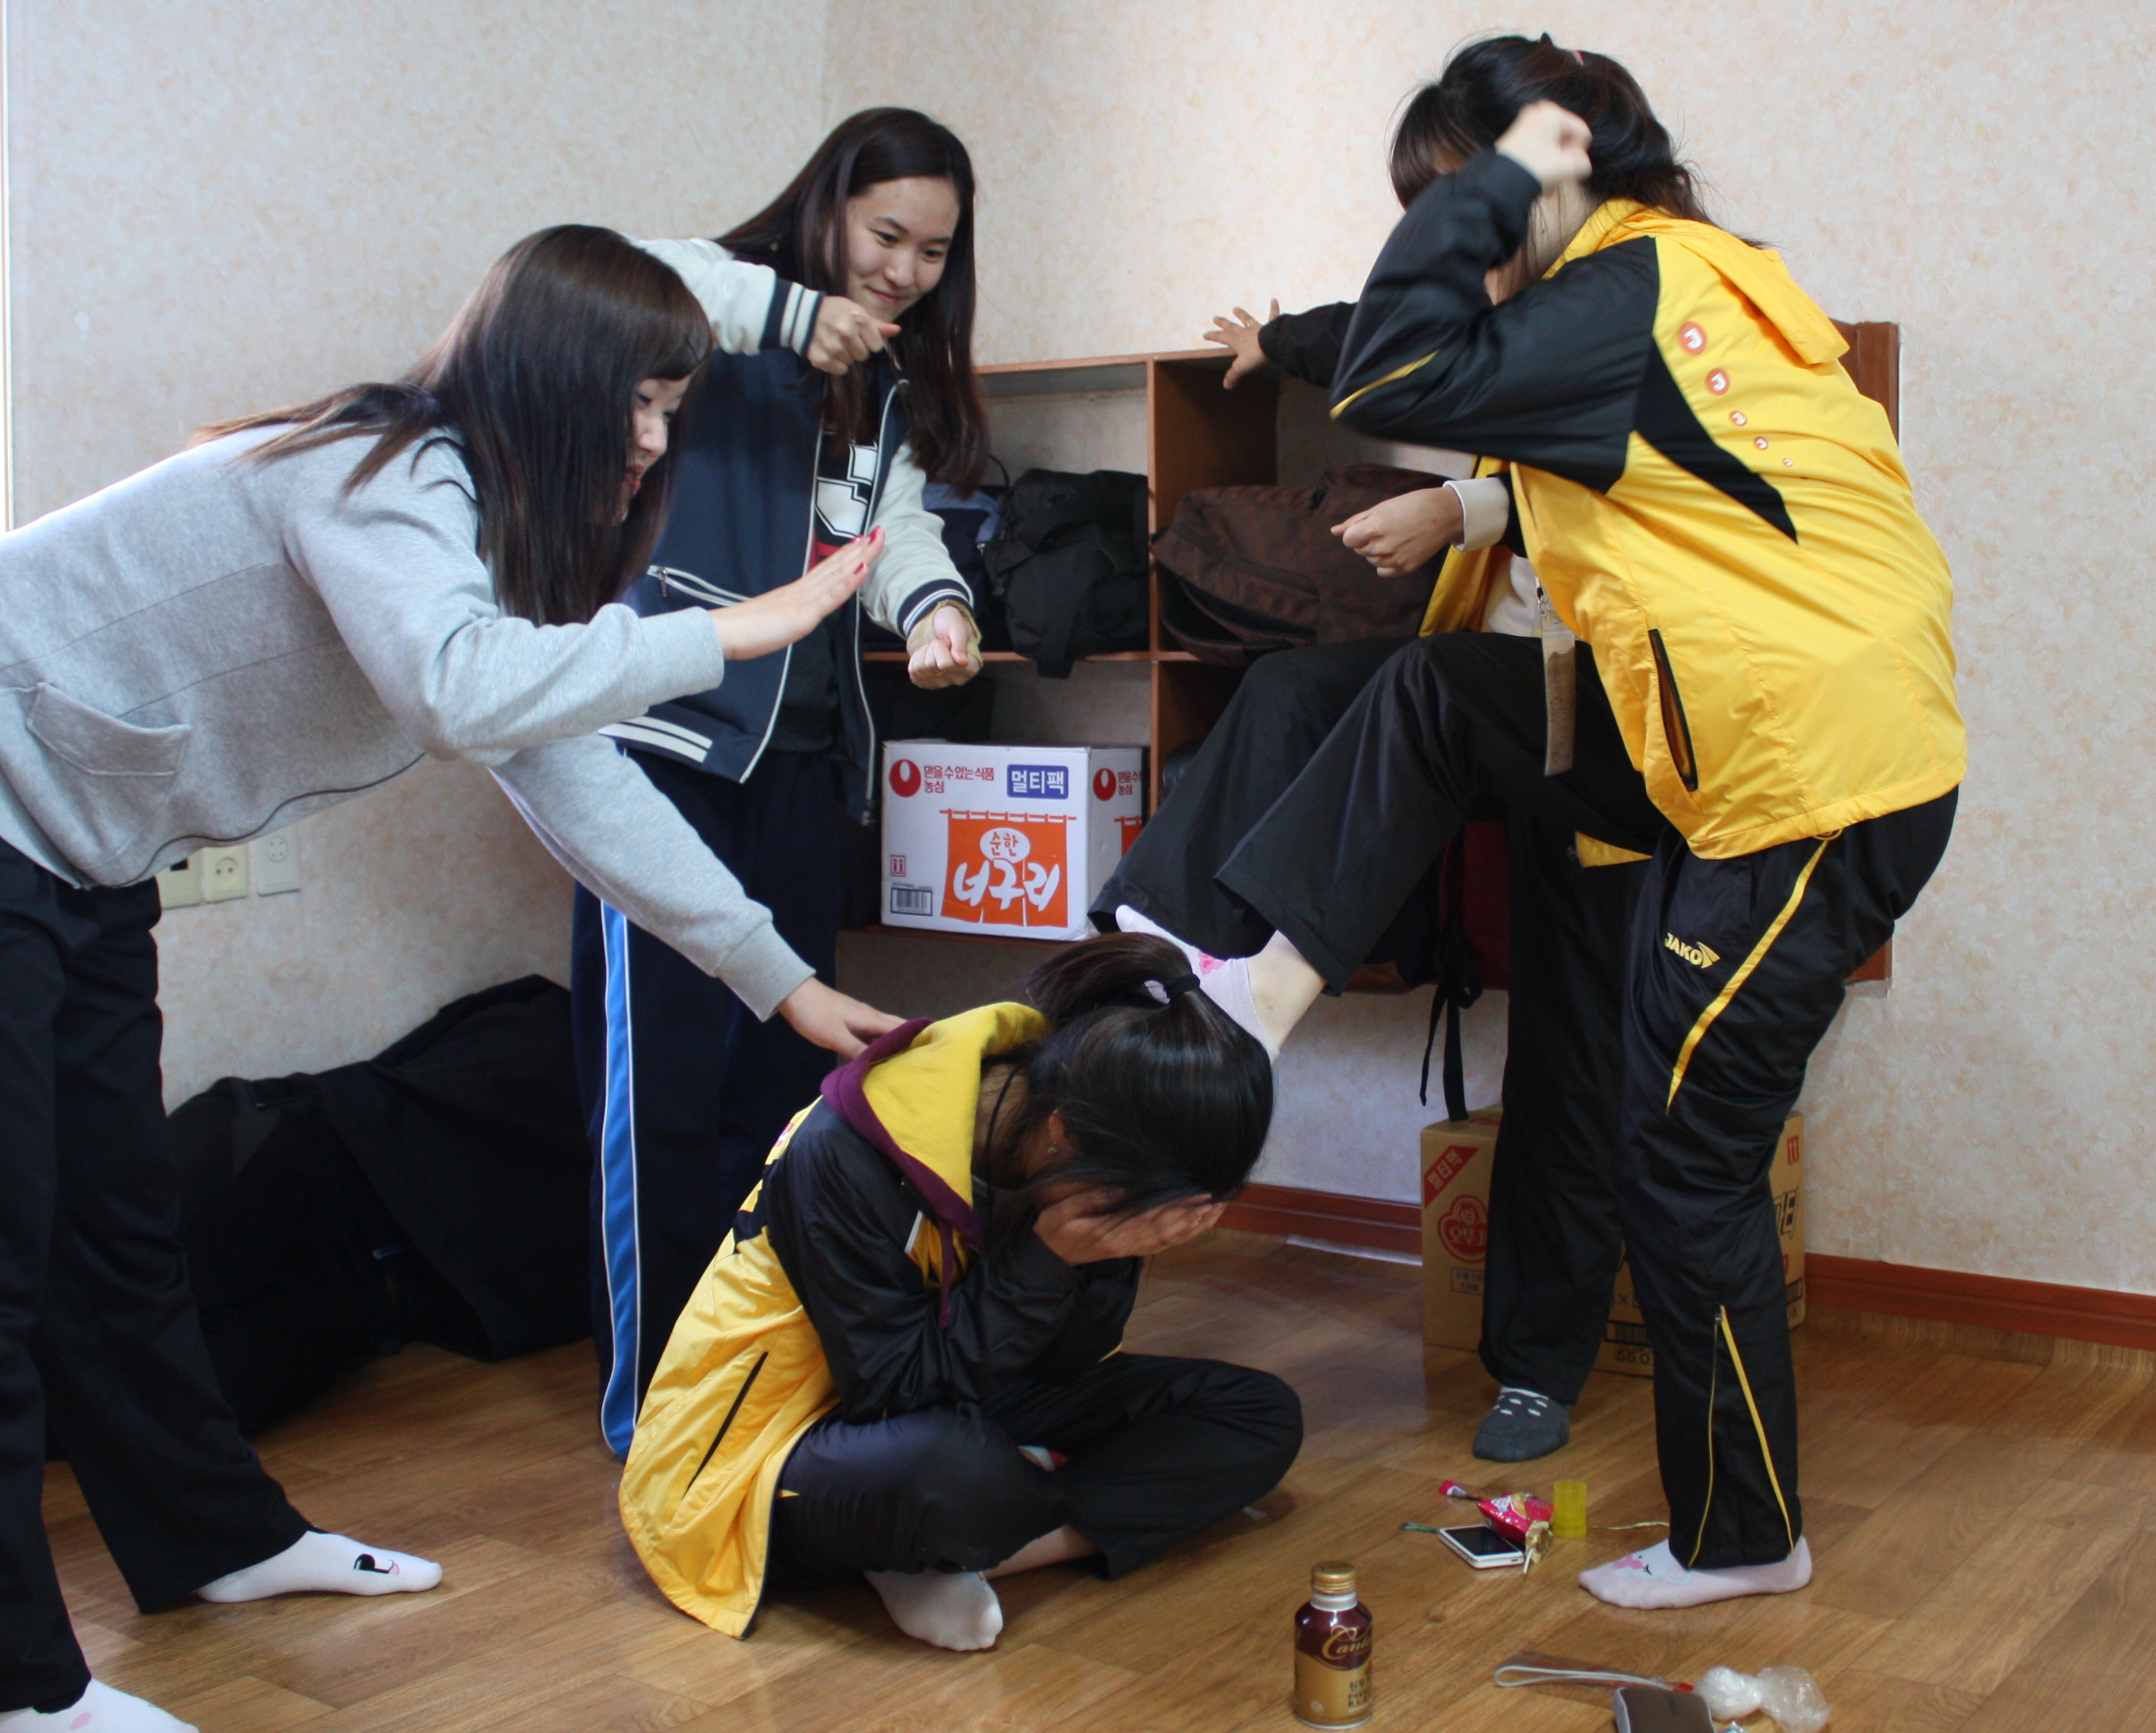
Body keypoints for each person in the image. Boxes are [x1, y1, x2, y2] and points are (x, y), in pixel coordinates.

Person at [0, 224, 901, 1733]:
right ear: (552, 381)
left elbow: (570, 768)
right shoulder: (385, 474)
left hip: (74, 843)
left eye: (670, 408)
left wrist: (778, 980)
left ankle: (214, 1536)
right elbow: (458, 691)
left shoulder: (476, 537)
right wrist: (730, 629)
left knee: (113, 1219)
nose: (656, 441)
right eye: (640, 403)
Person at [1168, 37, 1966, 1613]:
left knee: (1681, 1154)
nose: (1453, 235)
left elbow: (1393, 372)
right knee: (1440, 691)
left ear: (1547, 171)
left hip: (1812, 779)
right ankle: (1247, 983)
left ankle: (1743, 1535)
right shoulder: (1676, 283)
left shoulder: (1632, 283)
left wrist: (1499, 184)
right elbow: (1419, 365)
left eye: (1463, 196)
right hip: (1732, 753)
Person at [1100, 238, 1645, 1467]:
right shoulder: (1493, 308)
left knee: (1572, 1051)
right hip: (1489, 691)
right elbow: (1387, 331)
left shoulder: (1647, 325)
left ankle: (1538, 1368)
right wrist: (1277, 342)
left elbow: (1638, 488)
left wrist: (1460, 508)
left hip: (1609, 730)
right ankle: (1157, 958)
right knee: (1294, 687)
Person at [578, 109, 994, 1457]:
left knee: (784, 1090)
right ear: (826, 211)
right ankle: (655, 1408)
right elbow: (597, 274)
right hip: (662, 751)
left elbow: (891, 523)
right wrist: (789, 313)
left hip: (802, 763)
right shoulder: (709, 313)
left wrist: (935, 610)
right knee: (659, 1094)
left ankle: (753, 1371)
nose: (906, 271)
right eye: (886, 236)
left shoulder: (887, 379)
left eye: (934, 251)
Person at [618, 932, 1301, 1653]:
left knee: (1258, 1415)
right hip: (778, 1442)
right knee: (960, 1475)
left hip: (963, 1389)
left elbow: (1071, 1362)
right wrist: (1047, 1257)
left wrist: (1111, 1254)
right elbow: (891, 1392)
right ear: (1065, 1134)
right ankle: (967, 1522)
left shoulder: (1075, 1128)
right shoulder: (844, 1152)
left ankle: (965, 1549)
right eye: (1150, 1210)